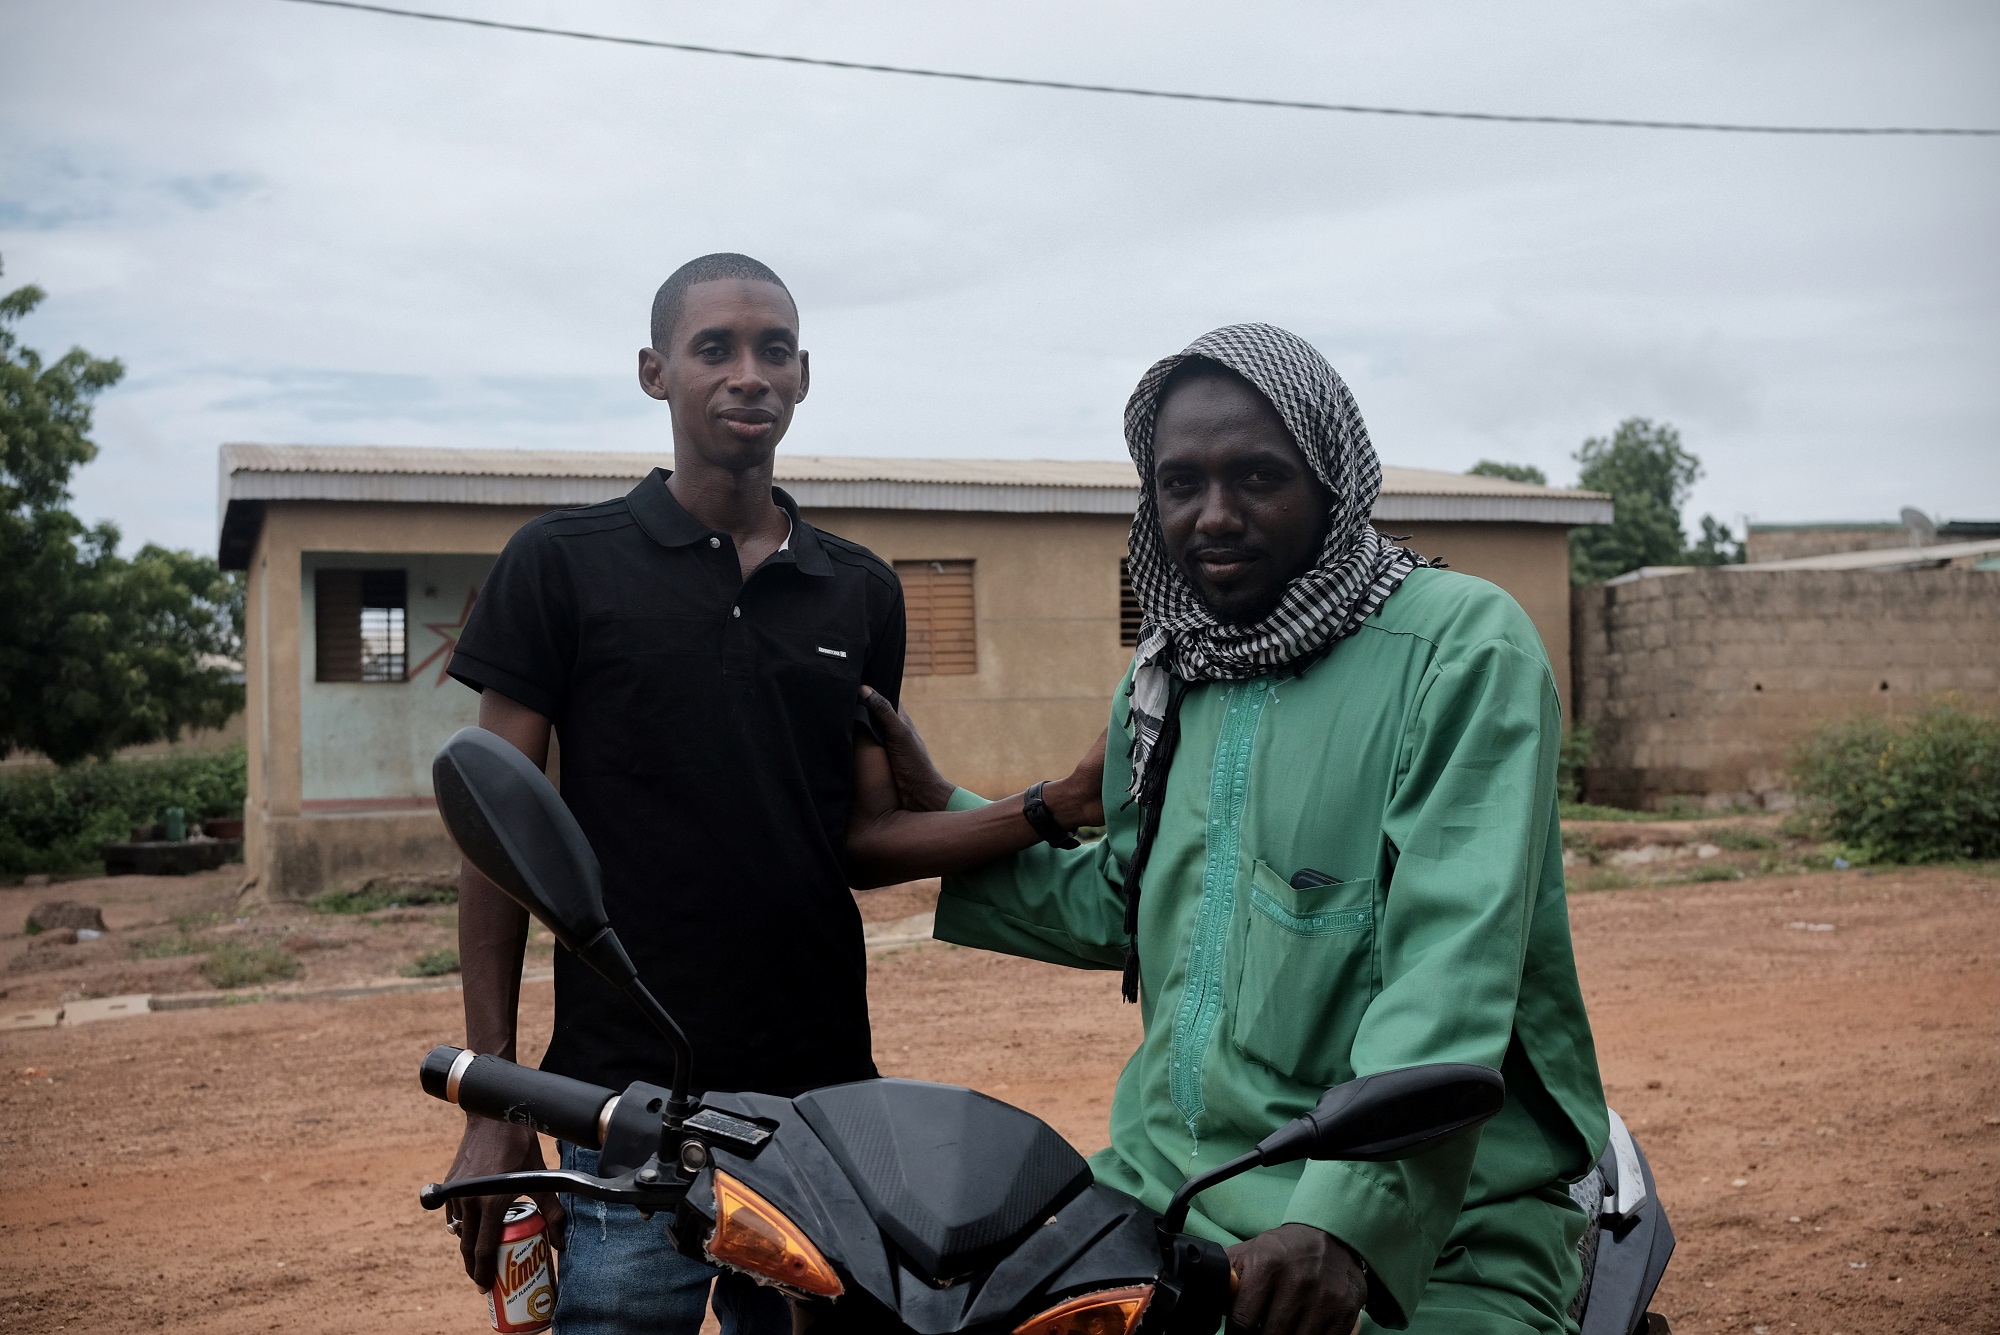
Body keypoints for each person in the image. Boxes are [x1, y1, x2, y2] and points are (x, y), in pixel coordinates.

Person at [847, 324, 1609, 1335]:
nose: (1213, 517)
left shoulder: (1457, 647)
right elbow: (1127, 901)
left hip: (1436, 1227)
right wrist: (950, 812)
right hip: (1166, 1185)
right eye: (1178, 483)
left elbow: (1449, 968)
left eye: (1256, 476)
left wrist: (1342, 1224)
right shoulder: (1167, 674)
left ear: (1329, 478)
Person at [442, 254, 905, 1335]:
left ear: (803, 376)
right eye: (715, 349)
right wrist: (494, 1094)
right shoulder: (559, 565)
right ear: (656, 373)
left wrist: (1043, 809)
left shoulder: (861, 590)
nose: (748, 373)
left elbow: (854, 836)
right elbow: (491, 842)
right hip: (620, 1098)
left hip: (816, 1101)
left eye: (772, 350)